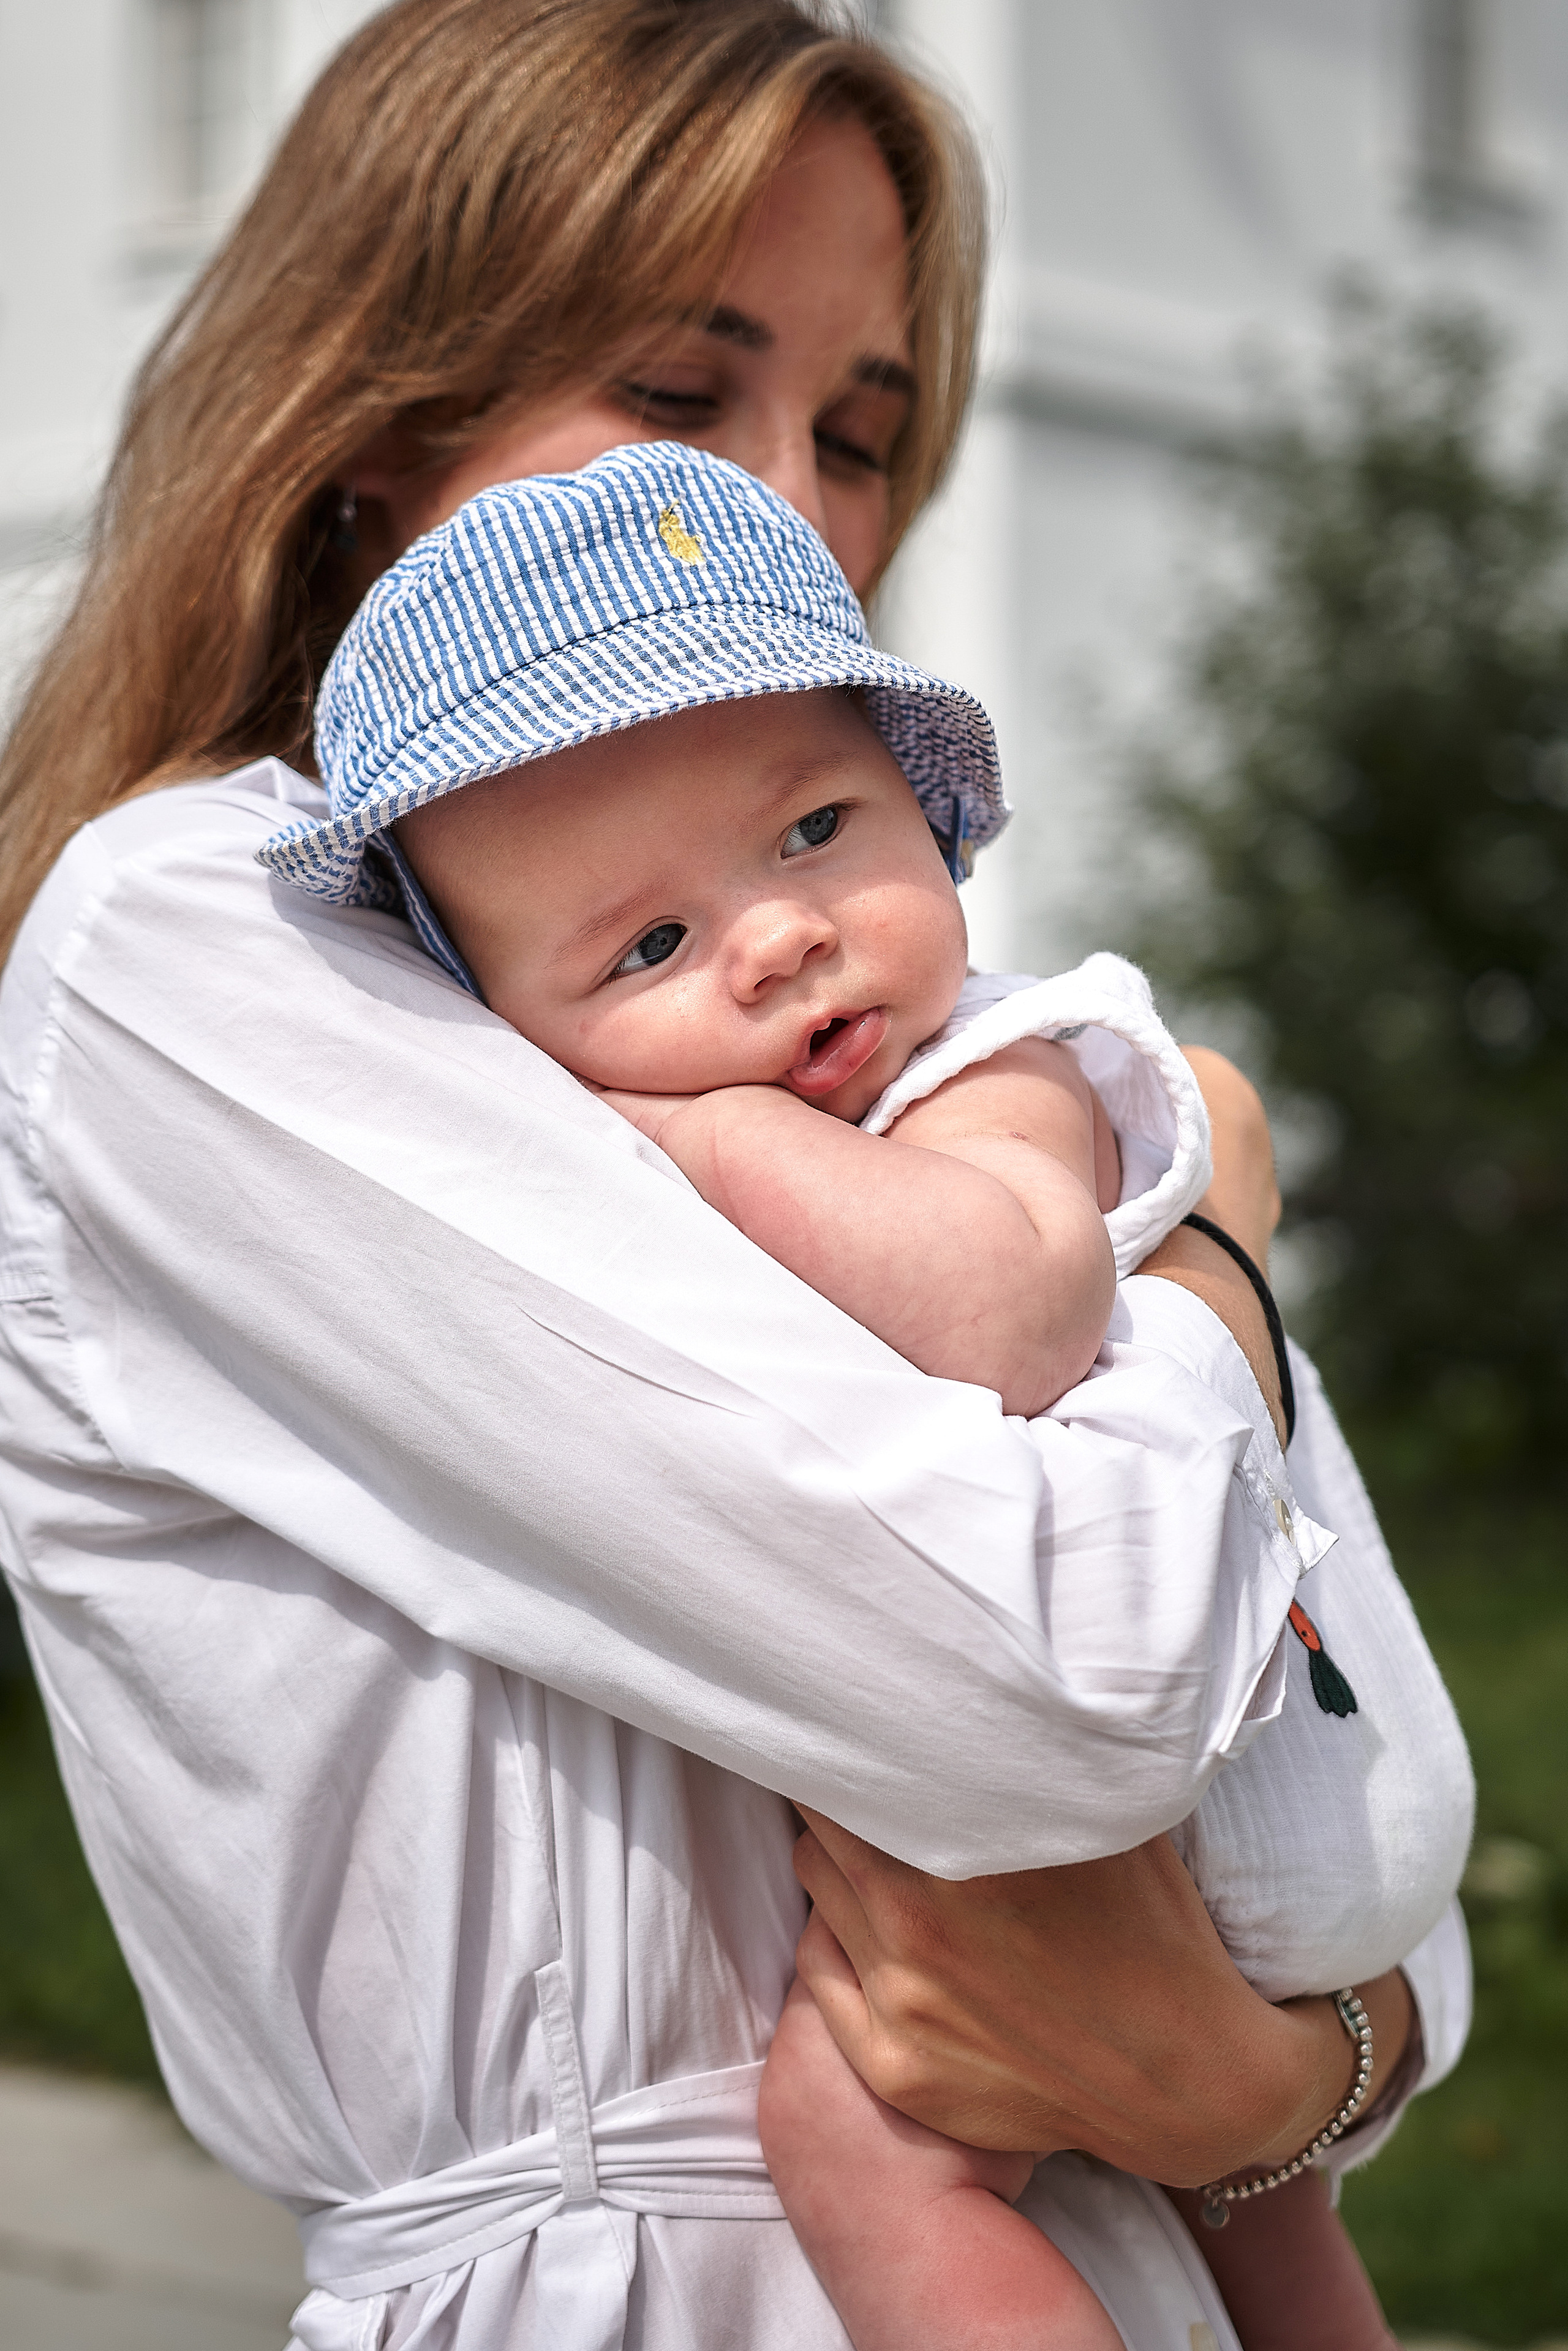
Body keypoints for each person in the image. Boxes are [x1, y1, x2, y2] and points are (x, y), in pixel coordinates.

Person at [0, 6, 1472, 2347]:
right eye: (683, 397)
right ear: (375, 419)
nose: (792, 509)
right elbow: (1072, 1686)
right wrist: (1202, 1259)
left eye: (865, 431)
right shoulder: (211, 935)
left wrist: (1280, 2076)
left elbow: (1328, 1812)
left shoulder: (815, 1023)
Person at [271, 436, 1474, 2351]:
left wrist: (719, 1140)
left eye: (816, 830)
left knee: (852, 2146)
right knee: (1260, 2226)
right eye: (650, 947)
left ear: (929, 809)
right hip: (1220, 1856)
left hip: (1239, 1805)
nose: (777, 939)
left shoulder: (1013, 1061)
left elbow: (1010, 1304)